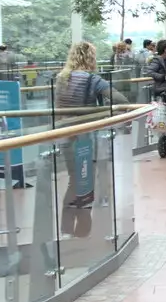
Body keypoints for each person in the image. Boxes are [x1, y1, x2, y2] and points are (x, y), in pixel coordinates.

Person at [54, 41, 130, 207]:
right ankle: (94, 203)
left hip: (63, 131)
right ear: (90, 58)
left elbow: (58, 106)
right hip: (85, 133)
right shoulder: (93, 80)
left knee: (73, 173)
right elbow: (121, 100)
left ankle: (71, 214)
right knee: (91, 168)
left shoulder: (61, 78)